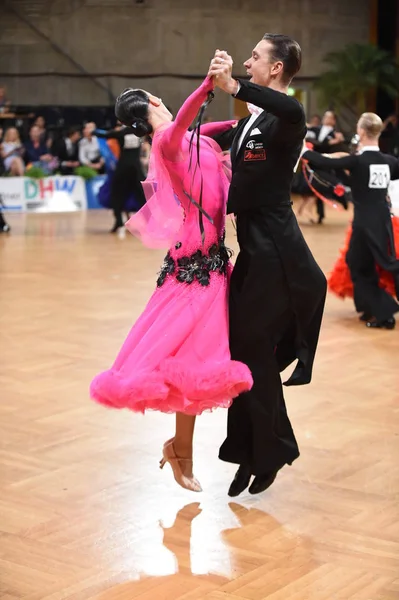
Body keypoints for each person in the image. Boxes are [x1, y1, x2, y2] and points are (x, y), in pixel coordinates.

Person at [90, 76, 253, 492]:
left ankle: (181, 450)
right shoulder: (167, 141)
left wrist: (253, 119)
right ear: (154, 103)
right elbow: (183, 124)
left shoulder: (187, 138)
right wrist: (208, 85)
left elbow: (208, 130)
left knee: (196, 363)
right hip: (196, 266)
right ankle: (183, 452)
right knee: (196, 359)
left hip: (210, 261)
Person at [207, 33, 327, 497]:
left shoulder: (285, 117)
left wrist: (232, 87)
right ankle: (251, 451)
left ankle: (268, 451)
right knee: (242, 358)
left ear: (275, 69)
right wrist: (170, 127)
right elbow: (218, 134)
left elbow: (291, 110)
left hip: (279, 258)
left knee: (252, 357)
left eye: (255, 57)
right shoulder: (253, 123)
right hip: (253, 254)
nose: (246, 61)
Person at [303, 112, 399, 329]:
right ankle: (374, 309)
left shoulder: (357, 160)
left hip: (365, 223)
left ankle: (384, 312)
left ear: (361, 131)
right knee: (367, 263)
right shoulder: (389, 162)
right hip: (382, 221)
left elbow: (322, 161)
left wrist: (303, 151)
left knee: (364, 264)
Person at [94, 123, 147, 233]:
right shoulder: (140, 132)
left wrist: (94, 132)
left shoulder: (121, 133)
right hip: (136, 169)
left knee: (116, 195)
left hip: (123, 169)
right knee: (142, 196)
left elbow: (106, 134)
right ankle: (147, 222)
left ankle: (118, 221)